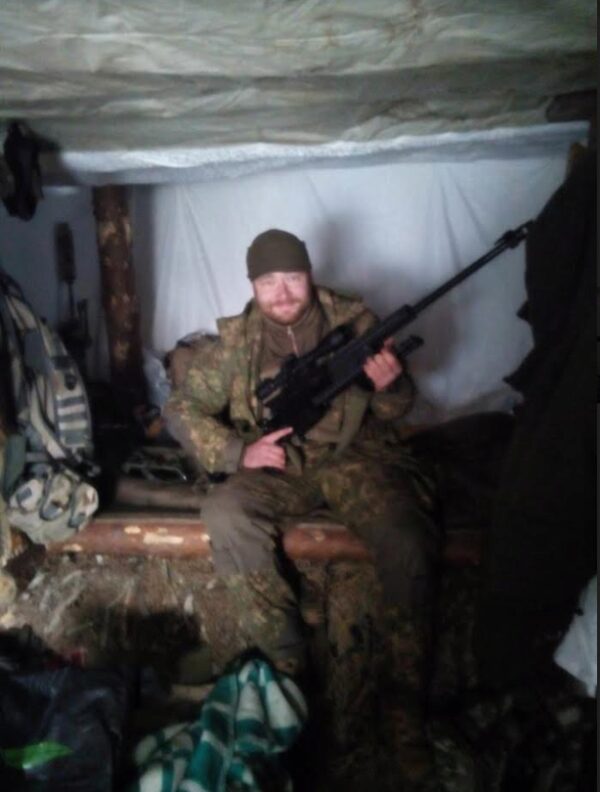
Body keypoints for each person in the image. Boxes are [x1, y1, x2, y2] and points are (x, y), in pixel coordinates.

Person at [164, 229, 440, 780]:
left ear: (310, 275)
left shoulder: (354, 323)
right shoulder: (237, 343)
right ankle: (286, 673)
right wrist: (239, 452)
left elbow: (398, 409)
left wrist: (390, 387)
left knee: (407, 537)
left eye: (292, 278)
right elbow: (180, 408)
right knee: (224, 513)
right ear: (253, 286)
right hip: (280, 464)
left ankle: (402, 702)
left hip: (356, 457)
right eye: (268, 281)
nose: (283, 292)